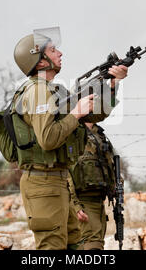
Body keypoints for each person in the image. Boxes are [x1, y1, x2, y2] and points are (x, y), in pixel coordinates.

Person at [11, 26, 127, 249]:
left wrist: (113, 84)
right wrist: (76, 112)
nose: (60, 53)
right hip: (44, 183)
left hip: (58, 180)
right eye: (53, 50)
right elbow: (47, 138)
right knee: (52, 247)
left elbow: (96, 114)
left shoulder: (52, 90)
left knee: (74, 246)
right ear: (42, 61)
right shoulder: (37, 91)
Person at [69, 122, 118, 250]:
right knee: (91, 245)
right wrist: (75, 205)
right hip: (83, 202)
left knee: (96, 244)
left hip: (99, 202)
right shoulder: (71, 132)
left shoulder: (99, 135)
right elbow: (65, 174)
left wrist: (116, 186)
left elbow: (109, 166)